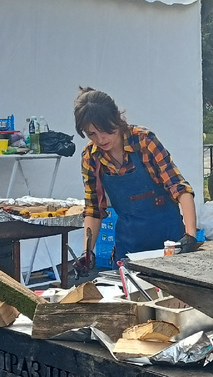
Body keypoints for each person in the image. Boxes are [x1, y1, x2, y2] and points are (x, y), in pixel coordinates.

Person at [73, 88, 199, 271]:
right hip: (129, 244)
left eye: (104, 130)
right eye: (92, 134)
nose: (100, 139)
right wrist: (87, 252)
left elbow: (181, 190)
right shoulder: (90, 157)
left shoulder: (144, 142)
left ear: (116, 118)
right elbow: (93, 210)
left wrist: (190, 236)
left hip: (169, 240)